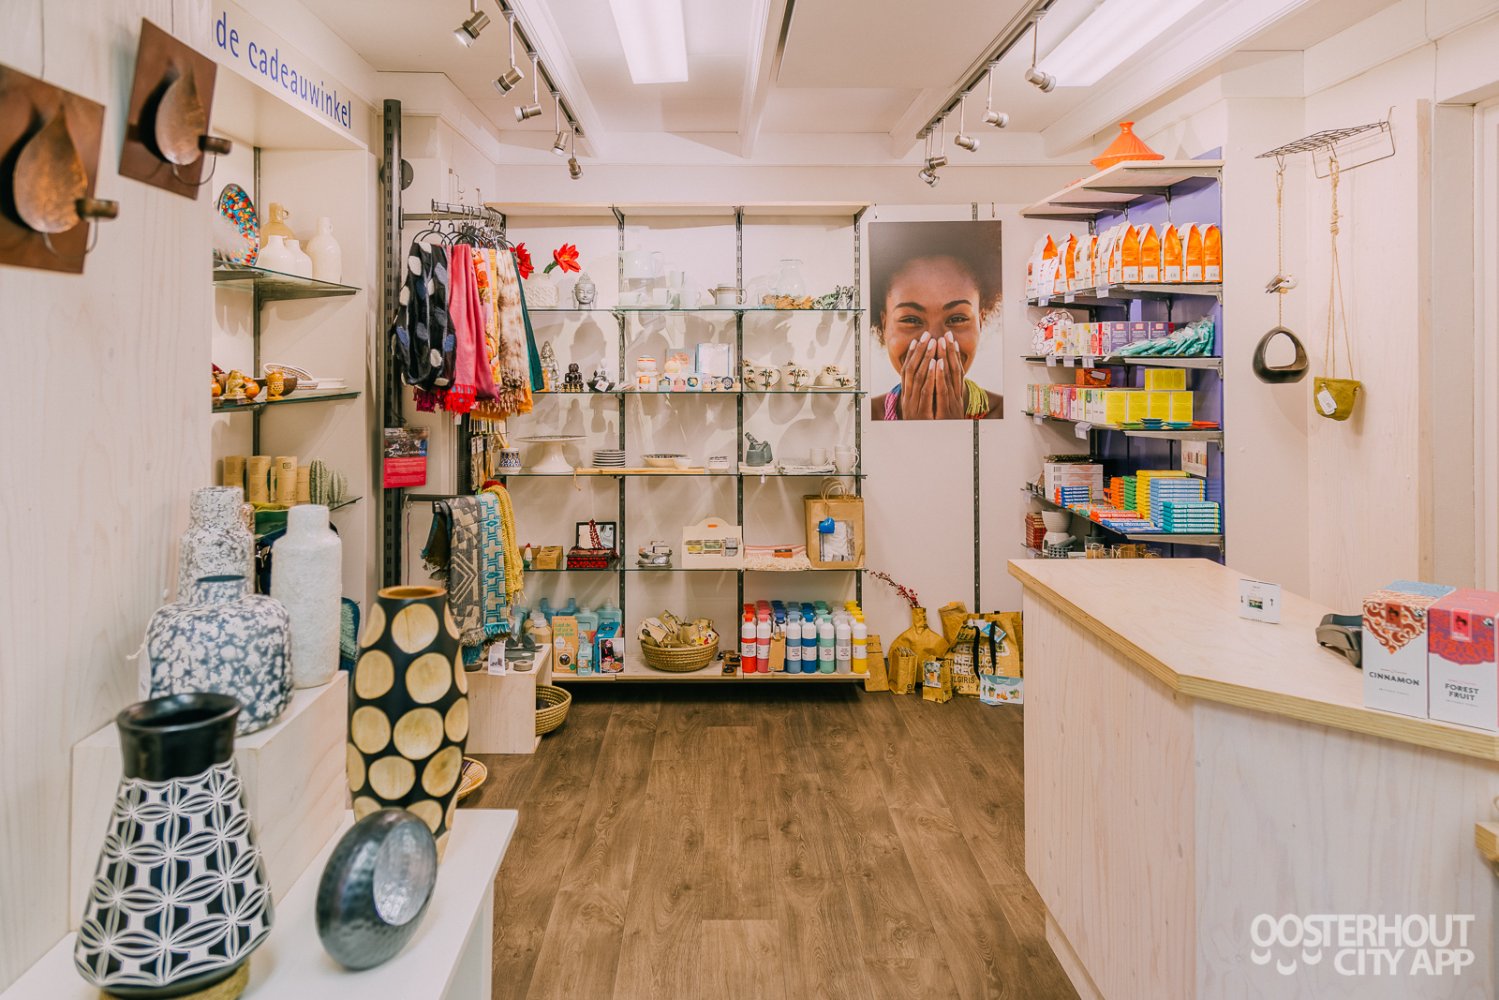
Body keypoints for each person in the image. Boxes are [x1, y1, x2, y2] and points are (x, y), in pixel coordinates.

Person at [870, 223, 1003, 420]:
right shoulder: (866, 416)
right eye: (911, 319)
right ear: (884, 324)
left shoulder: (1003, 414)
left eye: (957, 319)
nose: (935, 342)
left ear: (980, 322)